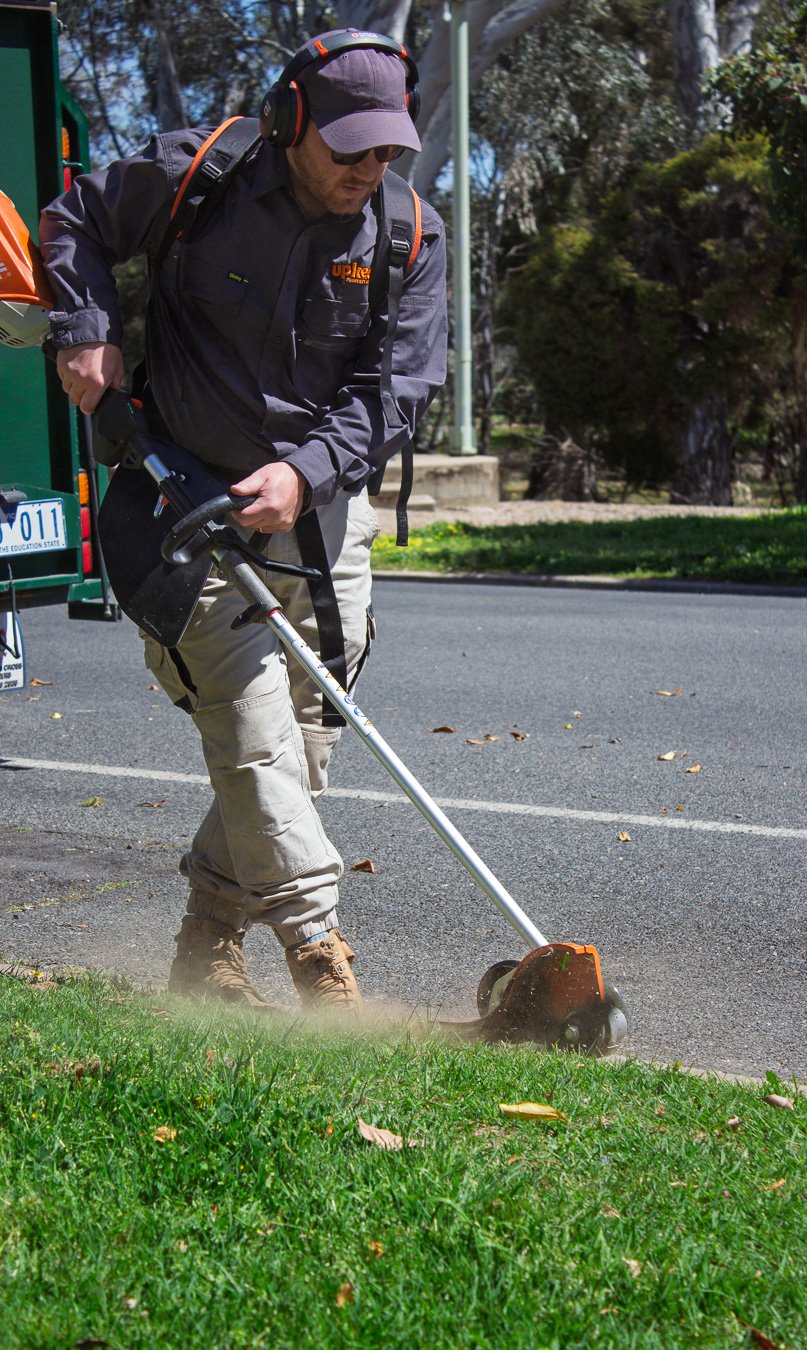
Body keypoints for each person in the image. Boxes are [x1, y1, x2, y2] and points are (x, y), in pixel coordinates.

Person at [39, 30, 448, 1012]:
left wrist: (305, 477)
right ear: (289, 121)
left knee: (306, 738)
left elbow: (397, 389)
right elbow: (76, 220)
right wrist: (87, 334)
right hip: (177, 507)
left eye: (388, 147)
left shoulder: (407, 235)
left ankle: (206, 948)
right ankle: (326, 970)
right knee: (255, 723)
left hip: (318, 515)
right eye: (349, 145)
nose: (370, 166)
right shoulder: (201, 175)